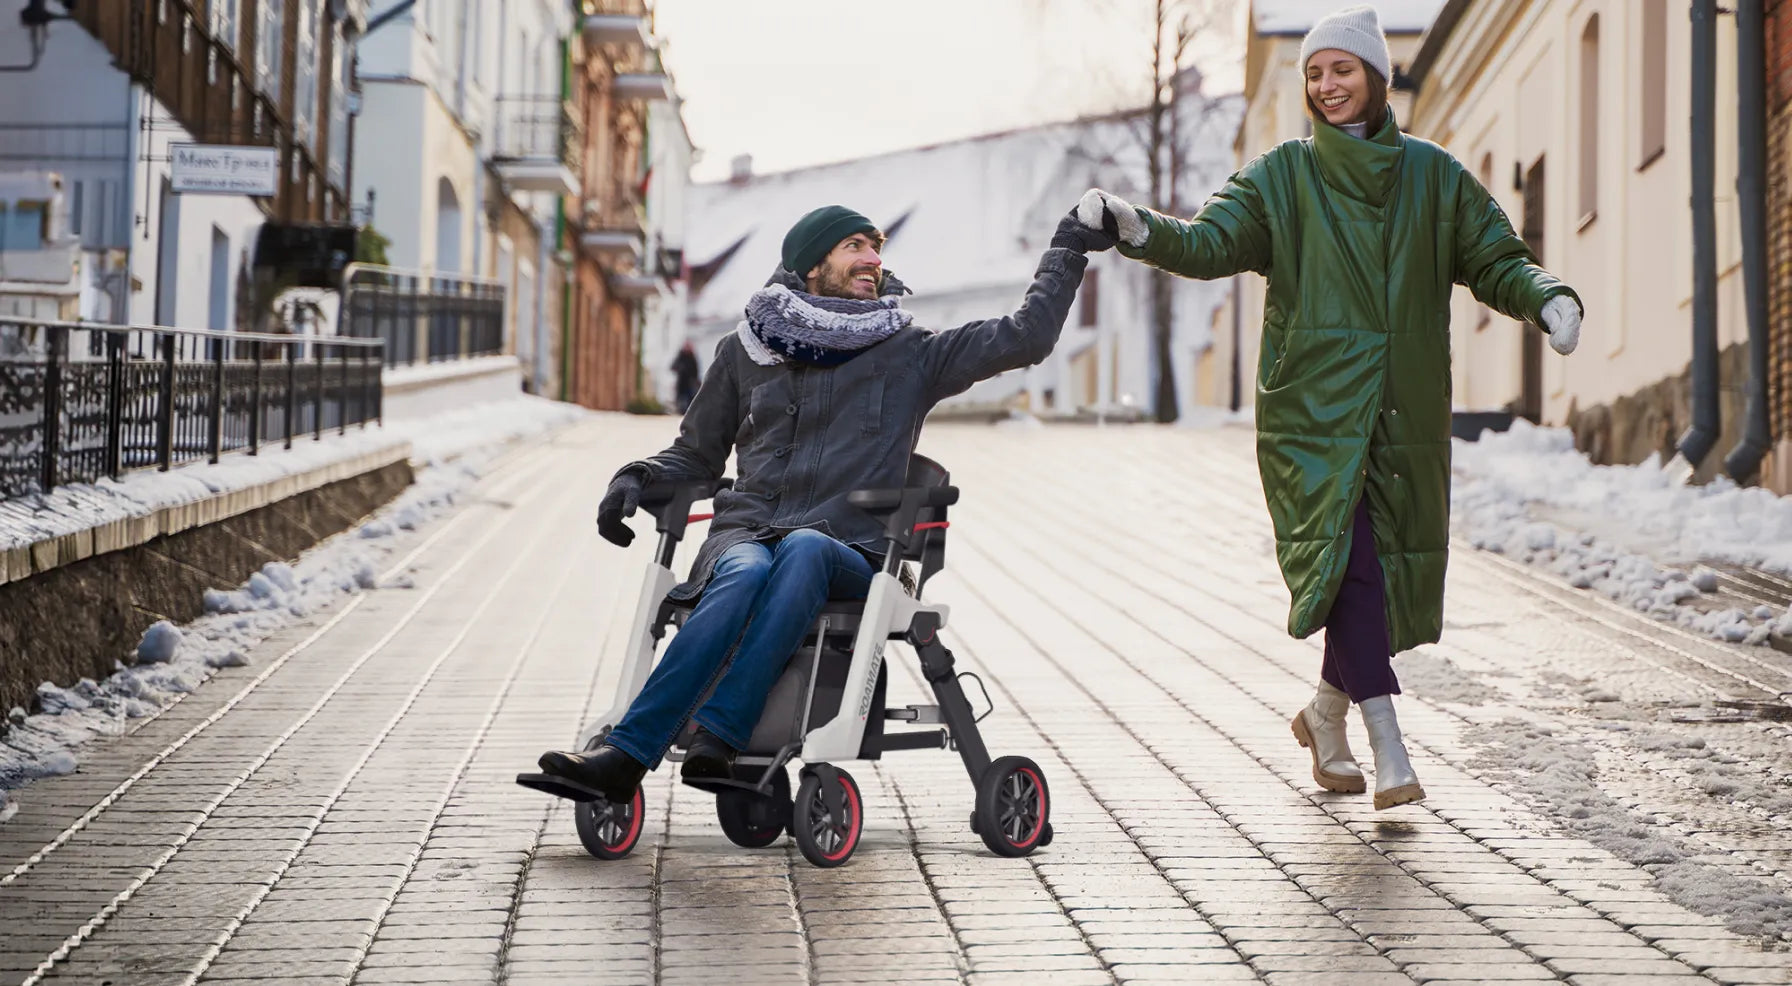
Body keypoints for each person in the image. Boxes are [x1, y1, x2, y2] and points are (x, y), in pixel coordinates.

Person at [1071, 3, 1583, 809]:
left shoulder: (1435, 175)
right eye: (1314, 73)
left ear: (1376, 75)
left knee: (1364, 575)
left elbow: (1494, 257)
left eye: (1341, 69)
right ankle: (1389, 745)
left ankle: (1323, 717)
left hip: (1402, 410)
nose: (1325, 85)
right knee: (1352, 566)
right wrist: (1141, 229)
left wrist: (1545, 296)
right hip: (1310, 413)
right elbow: (1210, 242)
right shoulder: (1283, 175)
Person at [520, 204, 1114, 804]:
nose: (874, 259)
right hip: (749, 534)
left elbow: (1026, 337)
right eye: (855, 246)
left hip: (859, 553)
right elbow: (696, 454)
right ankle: (624, 758)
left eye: (877, 247)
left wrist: (1068, 248)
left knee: (805, 547)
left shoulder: (910, 351)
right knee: (743, 567)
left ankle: (719, 735)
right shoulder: (745, 352)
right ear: (811, 265)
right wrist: (637, 476)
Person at [670, 341, 701, 413]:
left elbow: (696, 371)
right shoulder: (680, 356)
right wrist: (681, 369)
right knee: (681, 403)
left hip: (690, 385)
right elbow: (673, 367)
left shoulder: (692, 357)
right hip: (681, 384)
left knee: (690, 402)